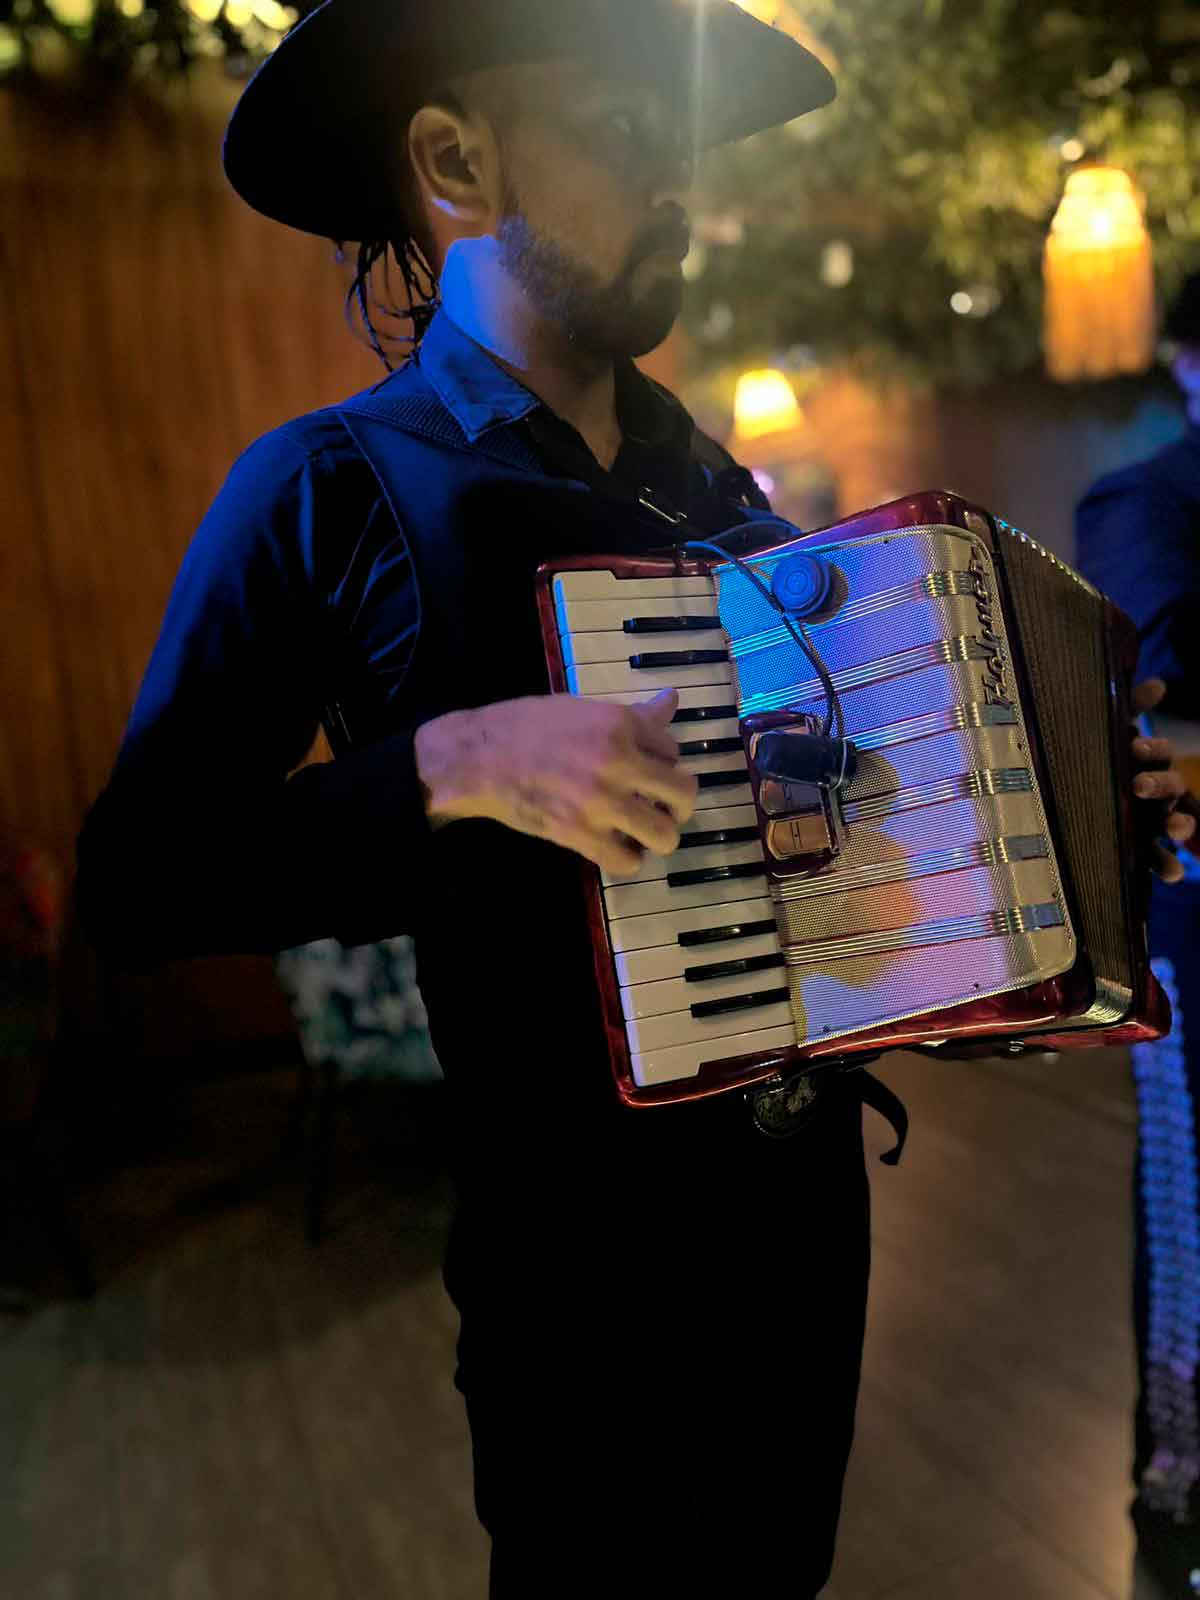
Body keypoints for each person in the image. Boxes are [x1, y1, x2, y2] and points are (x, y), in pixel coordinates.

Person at [75, 3, 1190, 1591]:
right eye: (626, 126)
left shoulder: (719, 490)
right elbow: (139, 876)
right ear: (456, 160)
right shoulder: (328, 489)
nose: (682, 184)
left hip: (804, 1233)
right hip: (579, 1279)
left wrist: (1053, 853)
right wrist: (447, 772)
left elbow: (826, 843)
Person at [1078, 273, 1200, 1600]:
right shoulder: (1149, 503)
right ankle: (1177, 1518)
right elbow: (1152, 735)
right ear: (1186, 365)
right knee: (1197, 1234)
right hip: (1198, 935)